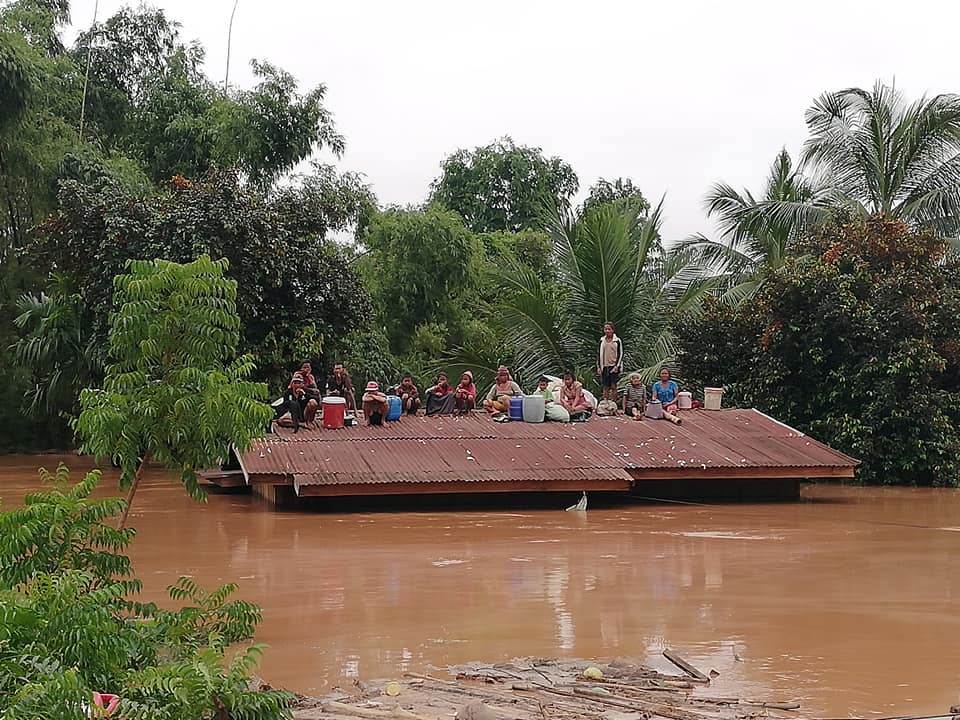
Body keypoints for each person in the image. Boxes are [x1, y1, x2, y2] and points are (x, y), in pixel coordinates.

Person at [597, 321, 624, 404]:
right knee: (605, 387)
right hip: (604, 366)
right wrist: (598, 367)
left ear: (613, 330)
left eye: (609, 329)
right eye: (606, 329)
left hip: (614, 366)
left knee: (613, 386)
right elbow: (598, 354)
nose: (607, 331)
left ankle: (614, 404)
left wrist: (617, 366)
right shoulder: (602, 340)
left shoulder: (617, 341)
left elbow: (621, 354)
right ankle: (605, 403)